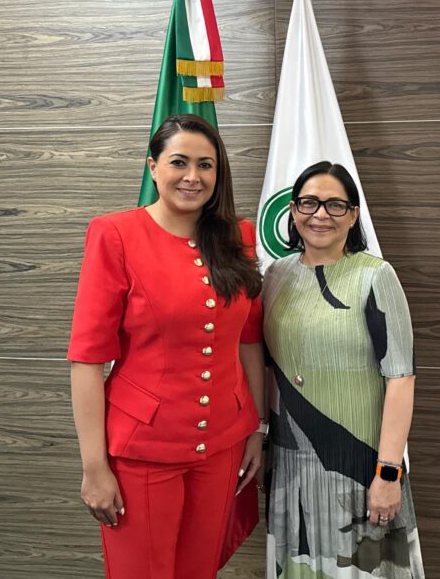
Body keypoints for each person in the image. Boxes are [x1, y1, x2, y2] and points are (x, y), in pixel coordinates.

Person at [68, 113, 266, 579]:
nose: (193, 176)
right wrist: (94, 467)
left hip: (223, 444)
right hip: (143, 448)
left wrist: (256, 429)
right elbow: (87, 360)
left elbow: (249, 340)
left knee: (200, 571)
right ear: (153, 167)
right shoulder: (115, 234)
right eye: (179, 162)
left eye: (206, 165)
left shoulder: (238, 236)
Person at [263, 161, 425, 579]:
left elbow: (401, 379)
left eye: (335, 205)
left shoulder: (376, 276)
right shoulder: (275, 276)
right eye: (309, 203)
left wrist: (387, 472)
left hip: (359, 466)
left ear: (353, 215)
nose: (321, 215)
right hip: (291, 465)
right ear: (293, 210)